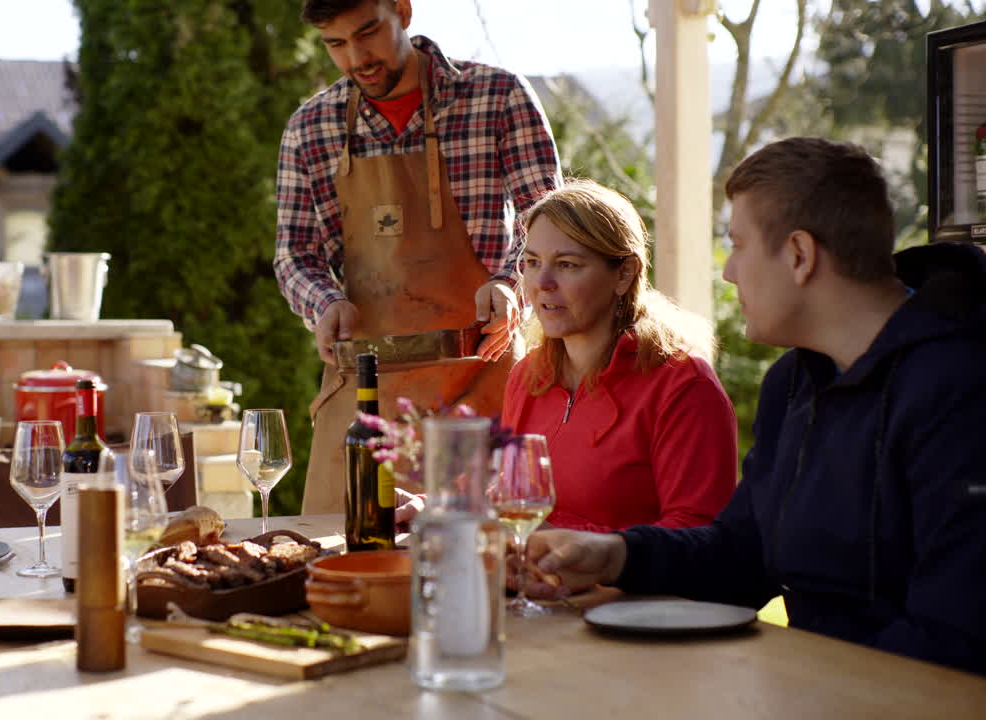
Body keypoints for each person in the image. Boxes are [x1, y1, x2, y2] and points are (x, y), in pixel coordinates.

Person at [524, 137, 986, 675]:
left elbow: (953, 640)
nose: (729, 272)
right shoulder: (793, 382)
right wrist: (617, 555)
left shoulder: (961, 389)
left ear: (799, 255)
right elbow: (742, 554)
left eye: (738, 246)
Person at [275, 0, 560, 513]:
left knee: (478, 549)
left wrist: (508, 283)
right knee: (346, 552)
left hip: (480, 381)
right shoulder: (309, 128)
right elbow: (294, 254)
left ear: (403, 11)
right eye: (336, 44)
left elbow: (551, 225)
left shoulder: (498, 97)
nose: (356, 58)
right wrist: (324, 303)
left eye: (368, 33)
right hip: (365, 397)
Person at [503, 181, 737, 532]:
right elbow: (510, 500)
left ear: (625, 274)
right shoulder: (527, 376)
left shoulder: (684, 385)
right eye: (532, 262)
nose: (542, 282)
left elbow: (698, 535)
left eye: (567, 264)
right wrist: (432, 505)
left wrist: (564, 540)